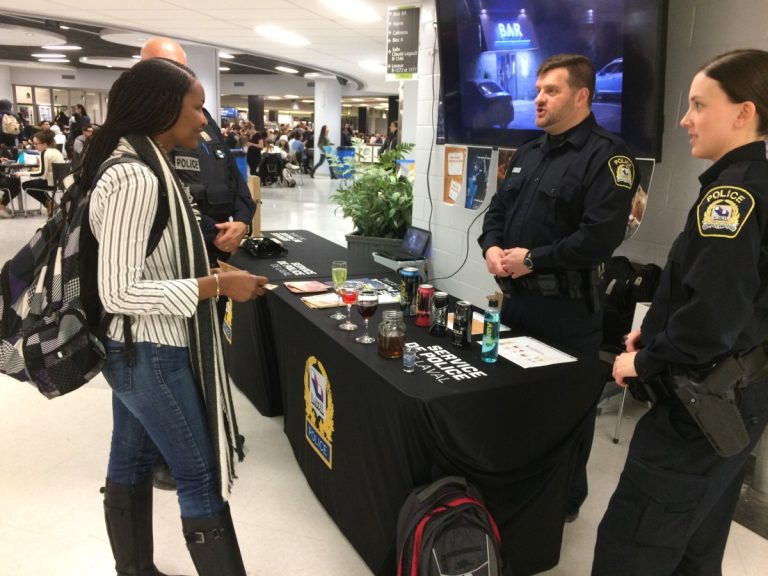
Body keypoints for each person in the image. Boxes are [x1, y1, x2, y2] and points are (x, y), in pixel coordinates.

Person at [82, 57, 268, 575]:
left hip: (141, 347)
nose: (205, 121)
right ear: (164, 110)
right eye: (197, 108)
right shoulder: (136, 176)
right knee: (199, 474)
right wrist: (215, 285)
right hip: (147, 352)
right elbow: (118, 290)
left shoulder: (145, 162)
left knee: (132, 460)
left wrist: (202, 266)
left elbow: (143, 259)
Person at [592, 48, 768, 576]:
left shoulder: (732, 197)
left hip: (698, 409)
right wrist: (652, 337)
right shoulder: (754, 186)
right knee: (695, 548)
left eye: (698, 104)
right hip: (738, 401)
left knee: (634, 548)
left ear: (744, 113)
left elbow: (711, 320)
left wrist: (643, 363)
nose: (685, 119)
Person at [478, 53, 638, 524]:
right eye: (538, 90)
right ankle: (518, 486)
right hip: (518, 304)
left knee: (565, 411)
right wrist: (491, 248)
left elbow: (598, 238)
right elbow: (496, 214)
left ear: (582, 96)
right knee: (514, 398)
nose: (539, 99)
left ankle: (563, 503)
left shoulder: (609, 157)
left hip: (567, 311)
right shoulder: (529, 153)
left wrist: (532, 259)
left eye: (552, 90)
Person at [140, 36, 257, 494]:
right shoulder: (140, 143)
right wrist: (211, 231)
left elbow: (237, 186)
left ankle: (208, 430)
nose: (183, 81)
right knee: (169, 364)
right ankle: (170, 452)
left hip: (217, 260)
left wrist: (242, 225)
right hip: (174, 273)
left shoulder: (205, 126)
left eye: (185, 71)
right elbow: (172, 207)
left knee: (208, 352)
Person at [0, 129, 65, 218]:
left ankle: (50, 203)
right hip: (58, 181)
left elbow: (41, 173)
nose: (34, 146)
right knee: (23, 183)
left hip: (50, 182)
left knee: (26, 185)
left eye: (36, 144)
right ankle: (50, 203)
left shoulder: (45, 153)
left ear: (44, 144)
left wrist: (23, 174)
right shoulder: (55, 151)